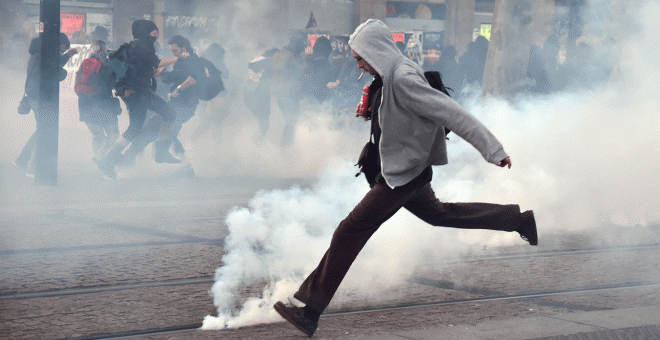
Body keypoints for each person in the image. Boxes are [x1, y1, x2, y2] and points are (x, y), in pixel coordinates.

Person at [273, 19, 537, 338]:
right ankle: (519, 220)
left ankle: (310, 313)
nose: (356, 63)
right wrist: (371, 112)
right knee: (440, 214)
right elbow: (400, 116)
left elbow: (451, 112)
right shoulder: (388, 76)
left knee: (348, 231)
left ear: (375, 50)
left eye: (359, 57)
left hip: (402, 177)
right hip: (406, 171)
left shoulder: (403, 77)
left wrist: (493, 148)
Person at [94, 19, 189, 178]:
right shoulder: (141, 45)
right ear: (145, 31)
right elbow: (158, 62)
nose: (155, 34)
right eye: (153, 31)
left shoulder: (134, 46)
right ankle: (162, 151)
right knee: (169, 114)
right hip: (139, 93)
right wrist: (178, 58)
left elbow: (142, 68)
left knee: (135, 127)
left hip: (131, 92)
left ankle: (108, 160)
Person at [120, 35, 204, 165]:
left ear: (184, 47)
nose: (173, 53)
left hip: (186, 104)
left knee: (163, 129)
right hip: (176, 103)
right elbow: (171, 78)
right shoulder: (180, 61)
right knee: (151, 129)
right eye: (171, 51)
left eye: (175, 51)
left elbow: (195, 77)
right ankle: (128, 158)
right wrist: (162, 73)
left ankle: (133, 158)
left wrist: (180, 89)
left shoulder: (193, 60)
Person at [14, 33, 78, 177]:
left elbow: (53, 63)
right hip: (40, 94)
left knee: (42, 128)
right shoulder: (46, 52)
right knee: (46, 130)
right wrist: (64, 73)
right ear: (58, 44)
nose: (61, 52)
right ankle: (34, 168)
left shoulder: (40, 49)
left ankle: (22, 160)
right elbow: (53, 70)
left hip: (33, 92)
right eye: (62, 49)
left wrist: (67, 55)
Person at [76, 40, 121, 163]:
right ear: (100, 51)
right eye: (105, 50)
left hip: (85, 105)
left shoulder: (85, 63)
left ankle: (100, 160)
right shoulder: (104, 66)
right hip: (102, 105)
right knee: (113, 134)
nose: (106, 53)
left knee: (98, 136)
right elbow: (112, 83)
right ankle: (100, 158)